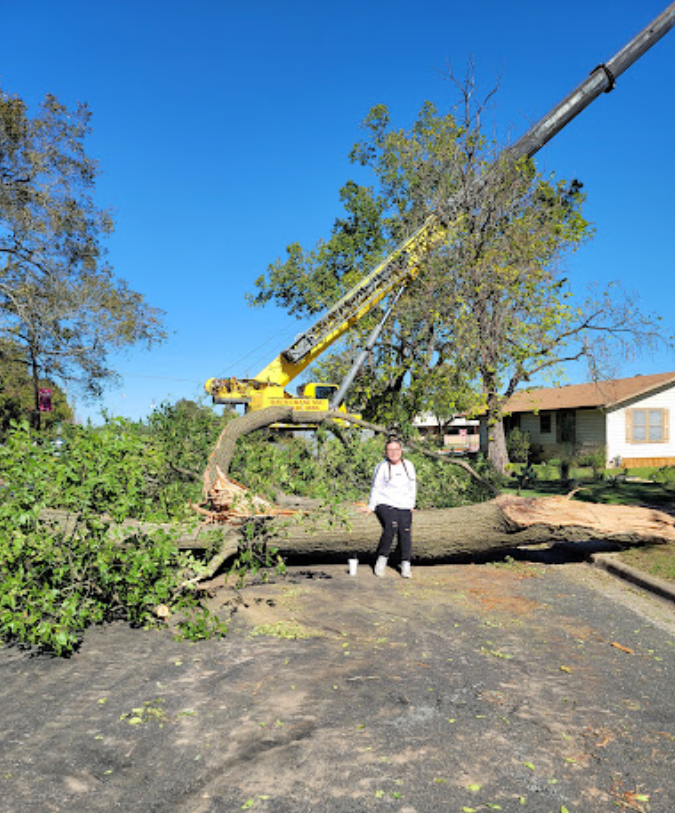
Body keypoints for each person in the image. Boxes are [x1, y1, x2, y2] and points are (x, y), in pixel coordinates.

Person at [360, 438, 417, 578]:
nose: (393, 453)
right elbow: (376, 487)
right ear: (385, 452)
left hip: (403, 504)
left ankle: (406, 564)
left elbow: (412, 486)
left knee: (405, 530)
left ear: (401, 451)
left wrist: (411, 504)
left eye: (396, 449)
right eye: (390, 450)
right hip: (385, 502)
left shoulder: (408, 465)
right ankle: (381, 560)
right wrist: (371, 507)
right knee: (391, 526)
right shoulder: (382, 466)